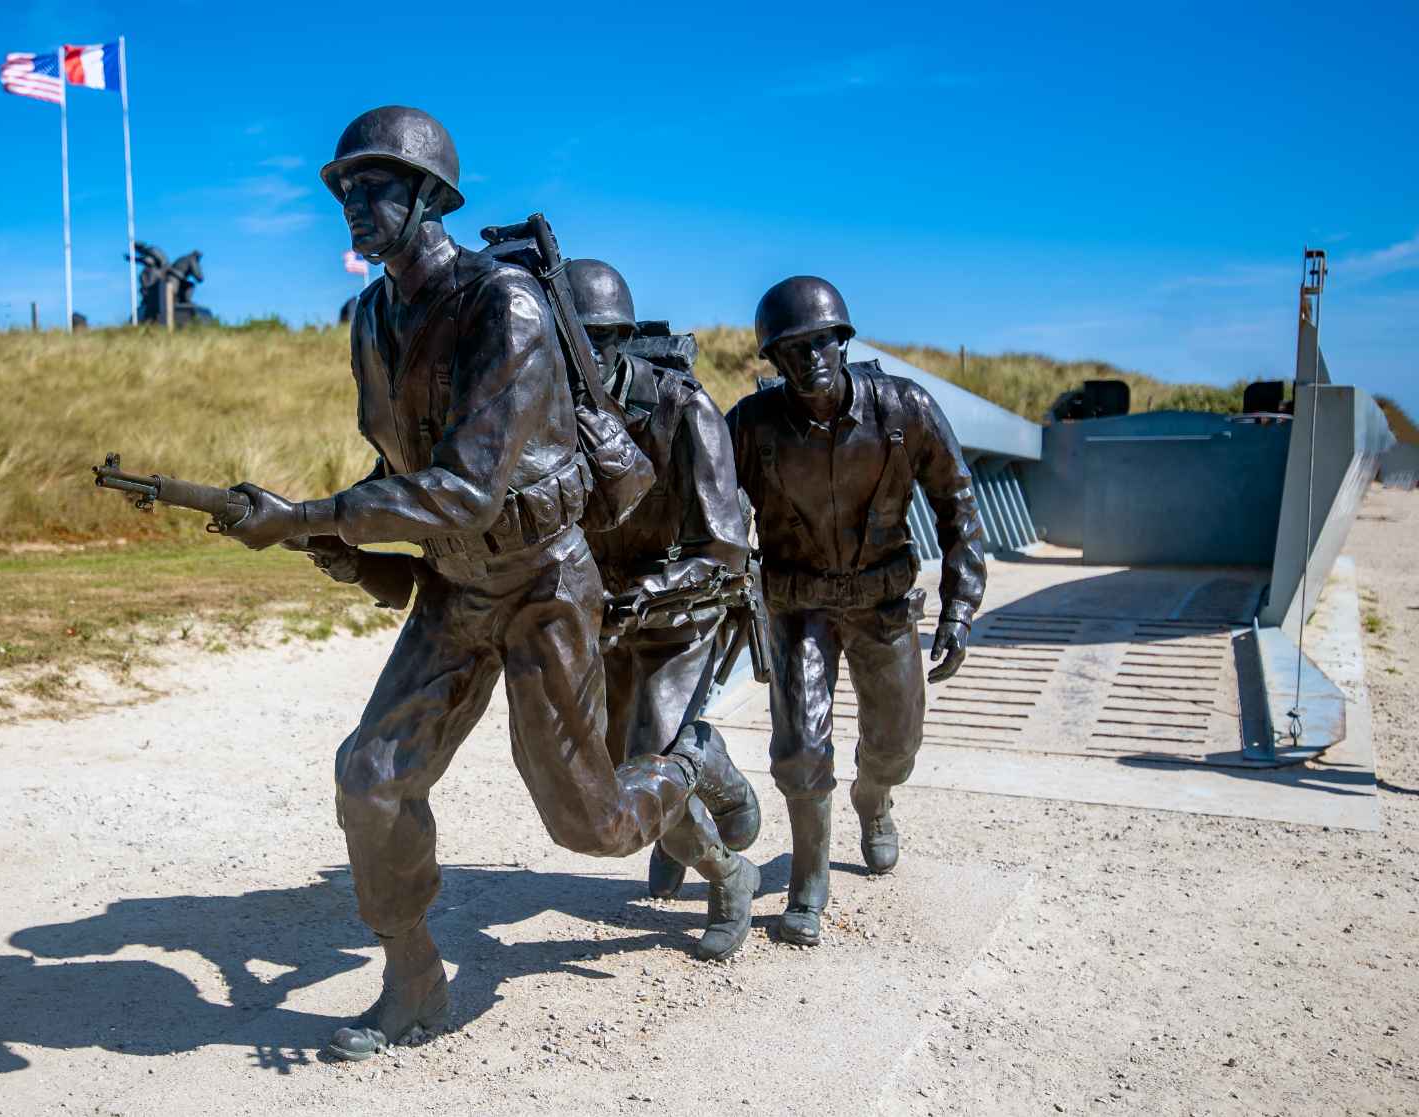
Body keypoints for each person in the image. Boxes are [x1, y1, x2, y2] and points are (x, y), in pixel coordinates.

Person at [218, 107, 760, 1059]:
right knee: (371, 777)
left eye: (374, 184)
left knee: (588, 825)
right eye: (344, 187)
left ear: (430, 195)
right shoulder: (374, 319)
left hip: (546, 585)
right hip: (456, 590)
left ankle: (688, 763)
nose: (353, 202)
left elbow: (467, 486)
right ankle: (414, 979)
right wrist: (352, 551)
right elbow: (402, 475)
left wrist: (305, 514)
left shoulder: (502, 306)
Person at [726, 276, 986, 946]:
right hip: (799, 605)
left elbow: (958, 506)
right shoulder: (751, 429)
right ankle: (809, 876)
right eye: (792, 348)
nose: (810, 357)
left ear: (843, 341)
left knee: (896, 743)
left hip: (882, 602)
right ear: (773, 360)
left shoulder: (905, 410)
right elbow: (712, 511)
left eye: (821, 341)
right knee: (801, 747)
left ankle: (875, 800)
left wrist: (959, 608)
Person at [568, 259, 762, 907]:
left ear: (620, 339)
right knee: (608, 760)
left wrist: (651, 591)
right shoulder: (550, 418)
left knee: (646, 765)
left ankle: (727, 874)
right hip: (608, 612)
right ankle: (703, 755)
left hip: (684, 605)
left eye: (590, 341)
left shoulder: (686, 411)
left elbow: (727, 548)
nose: (575, 360)